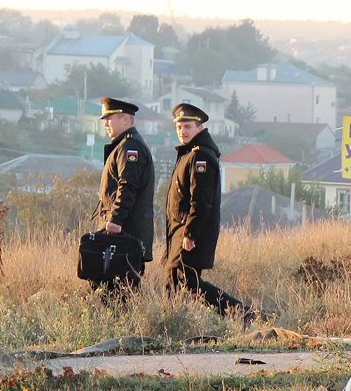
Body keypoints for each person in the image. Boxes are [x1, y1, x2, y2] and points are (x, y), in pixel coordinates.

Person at [163, 103, 247, 317]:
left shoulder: (200, 156)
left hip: (189, 231)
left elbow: (201, 200)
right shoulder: (189, 153)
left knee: (186, 281)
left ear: (199, 128)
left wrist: (190, 233)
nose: (183, 131)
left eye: (188, 127)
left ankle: (241, 314)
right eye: (179, 127)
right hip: (179, 230)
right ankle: (171, 324)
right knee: (176, 281)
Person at [89, 96, 154, 295]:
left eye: (111, 118)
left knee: (121, 291)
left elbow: (128, 187)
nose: (106, 123)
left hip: (125, 233)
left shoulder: (130, 147)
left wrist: (116, 220)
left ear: (126, 120)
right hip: (120, 233)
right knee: (110, 289)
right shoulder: (122, 146)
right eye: (105, 119)